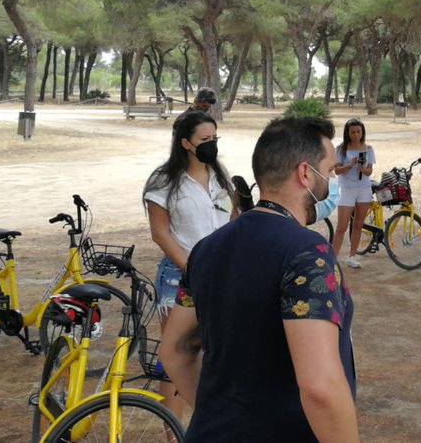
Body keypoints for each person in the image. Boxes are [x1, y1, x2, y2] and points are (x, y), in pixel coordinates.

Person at [159, 117, 359, 442]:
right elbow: (321, 387)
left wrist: (221, 416)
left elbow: (176, 351)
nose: (333, 182)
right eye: (331, 171)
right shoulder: (308, 253)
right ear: (306, 173)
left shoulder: (206, 250)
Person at [142, 109, 236, 421]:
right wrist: (194, 269)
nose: (212, 145)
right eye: (204, 139)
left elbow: (233, 221)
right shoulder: (164, 181)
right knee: (175, 359)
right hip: (178, 278)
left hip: (221, 277)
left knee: (215, 356)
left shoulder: (220, 177)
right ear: (185, 143)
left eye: (214, 138)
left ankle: (208, 425)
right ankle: (173, 433)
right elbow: (160, 233)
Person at [330, 118, 374, 266]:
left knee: (358, 224)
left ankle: (352, 256)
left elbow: (369, 171)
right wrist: (350, 165)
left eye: (358, 131)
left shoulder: (368, 149)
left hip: (364, 189)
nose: (356, 135)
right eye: (353, 132)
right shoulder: (341, 149)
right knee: (341, 226)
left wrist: (364, 169)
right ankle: (333, 258)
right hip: (347, 189)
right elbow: (336, 171)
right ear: (347, 133)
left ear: (362, 132)